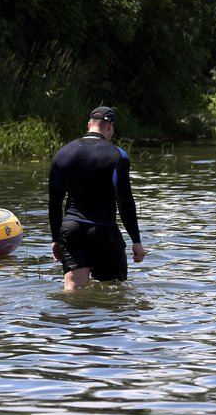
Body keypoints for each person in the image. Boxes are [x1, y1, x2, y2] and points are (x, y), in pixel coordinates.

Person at [48, 106, 146, 290]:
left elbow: (54, 202)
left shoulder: (62, 154)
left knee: (73, 288)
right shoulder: (117, 155)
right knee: (114, 291)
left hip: (72, 230)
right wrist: (136, 241)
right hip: (104, 231)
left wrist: (55, 238)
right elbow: (124, 201)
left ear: (88, 125)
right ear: (111, 127)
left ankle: (74, 315)